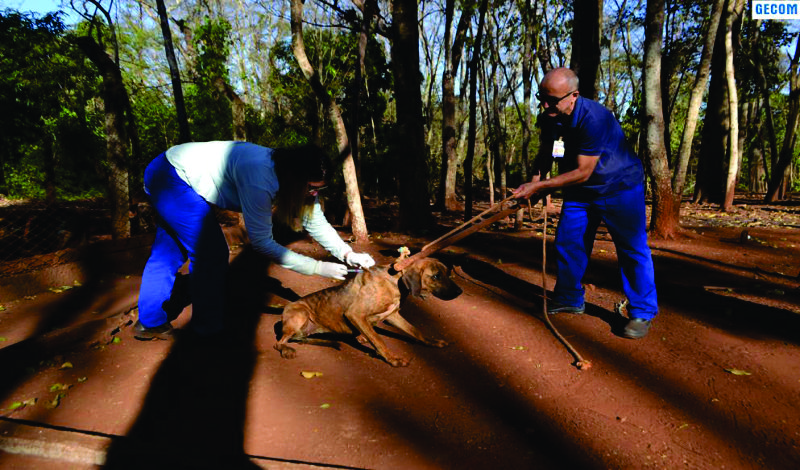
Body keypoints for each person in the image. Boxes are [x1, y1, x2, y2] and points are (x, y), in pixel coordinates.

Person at [134, 141, 375, 340]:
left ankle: (149, 322)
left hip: (169, 170)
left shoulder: (292, 179)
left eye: (319, 190)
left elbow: (314, 220)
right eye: (311, 188)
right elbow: (261, 242)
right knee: (211, 253)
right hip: (170, 177)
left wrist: (346, 253)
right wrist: (318, 267)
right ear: (296, 178)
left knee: (170, 252)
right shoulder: (260, 179)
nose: (314, 194)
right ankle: (206, 331)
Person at [512, 67, 658, 339]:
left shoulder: (595, 118)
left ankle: (641, 312)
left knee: (631, 249)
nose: (545, 105)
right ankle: (569, 297)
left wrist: (541, 187)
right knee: (569, 240)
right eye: (541, 98)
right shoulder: (550, 116)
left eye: (552, 100)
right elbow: (546, 152)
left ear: (573, 96)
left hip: (619, 188)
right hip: (580, 192)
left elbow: (583, 171)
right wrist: (534, 182)